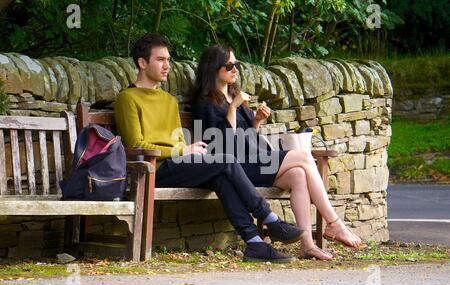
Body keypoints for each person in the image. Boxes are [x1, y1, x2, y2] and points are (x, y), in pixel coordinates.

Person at [114, 33, 304, 263]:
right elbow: (135, 145)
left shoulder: (168, 100)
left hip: (179, 165)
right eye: (160, 60)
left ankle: (254, 243)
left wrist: (187, 149)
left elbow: (177, 141)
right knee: (224, 160)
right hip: (153, 169)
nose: (167, 66)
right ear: (142, 63)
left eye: (169, 59)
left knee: (221, 176)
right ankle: (270, 219)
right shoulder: (128, 98)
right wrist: (182, 152)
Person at [191, 45, 367, 260]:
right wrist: (233, 109)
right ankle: (334, 223)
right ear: (213, 68)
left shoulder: (234, 95)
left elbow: (247, 139)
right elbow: (219, 145)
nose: (235, 69)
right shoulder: (205, 101)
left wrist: (256, 121)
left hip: (255, 160)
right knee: (303, 157)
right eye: (229, 65)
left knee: (298, 175)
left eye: (236, 64)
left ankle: (307, 245)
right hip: (236, 168)